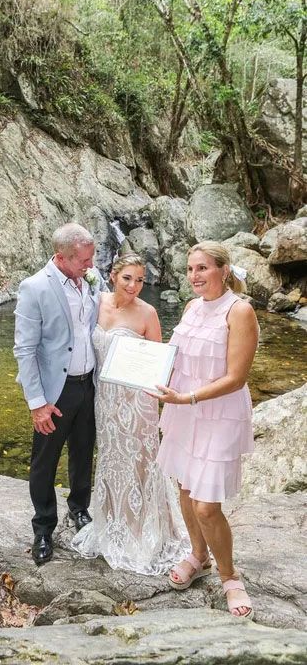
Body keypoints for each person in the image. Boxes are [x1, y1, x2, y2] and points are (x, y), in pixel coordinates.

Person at [150, 241, 258, 619]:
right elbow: (177, 359)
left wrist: (187, 397)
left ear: (224, 270)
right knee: (184, 485)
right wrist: (153, 380)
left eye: (203, 268)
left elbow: (236, 377)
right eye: (190, 269)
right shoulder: (192, 307)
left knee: (207, 505)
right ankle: (199, 556)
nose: (194, 276)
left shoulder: (239, 311)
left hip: (218, 411)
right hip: (184, 409)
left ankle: (230, 576)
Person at [71, 253, 189, 573]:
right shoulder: (95, 304)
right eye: (128, 278)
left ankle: (142, 530)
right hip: (105, 399)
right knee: (111, 458)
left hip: (138, 402)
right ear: (112, 276)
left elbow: (160, 362)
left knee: (139, 461)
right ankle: (111, 523)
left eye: (140, 280)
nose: (134, 285)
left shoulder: (148, 313)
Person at [14, 223, 104, 566]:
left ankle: (79, 509)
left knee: (83, 452)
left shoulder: (91, 280)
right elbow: (24, 349)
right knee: (45, 461)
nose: (90, 265)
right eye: (83, 260)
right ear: (60, 257)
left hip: (88, 383)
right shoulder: (35, 288)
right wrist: (37, 404)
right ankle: (43, 528)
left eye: (91, 258)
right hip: (55, 392)